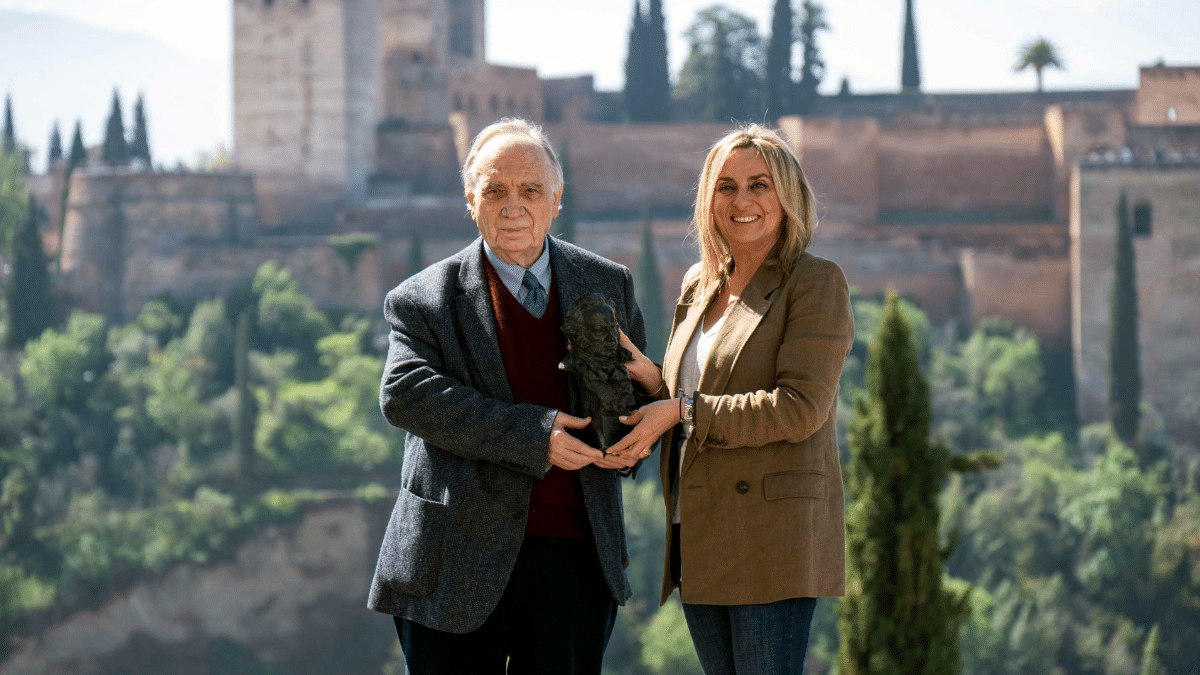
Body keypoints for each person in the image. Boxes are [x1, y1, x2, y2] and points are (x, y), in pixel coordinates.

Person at [367, 118, 656, 675]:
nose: (513, 206)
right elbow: (404, 395)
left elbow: (626, 401)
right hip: (451, 564)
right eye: (495, 190)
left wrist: (639, 425)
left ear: (557, 200)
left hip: (574, 562)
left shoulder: (608, 284)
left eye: (530, 190)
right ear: (471, 200)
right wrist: (534, 435)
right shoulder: (422, 299)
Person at [610, 124, 855, 674]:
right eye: (726, 187)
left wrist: (679, 410)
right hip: (701, 528)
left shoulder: (815, 283)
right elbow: (693, 394)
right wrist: (651, 380)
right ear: (708, 199)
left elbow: (799, 407)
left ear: (788, 195)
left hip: (773, 539)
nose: (741, 201)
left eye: (759, 185)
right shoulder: (702, 283)